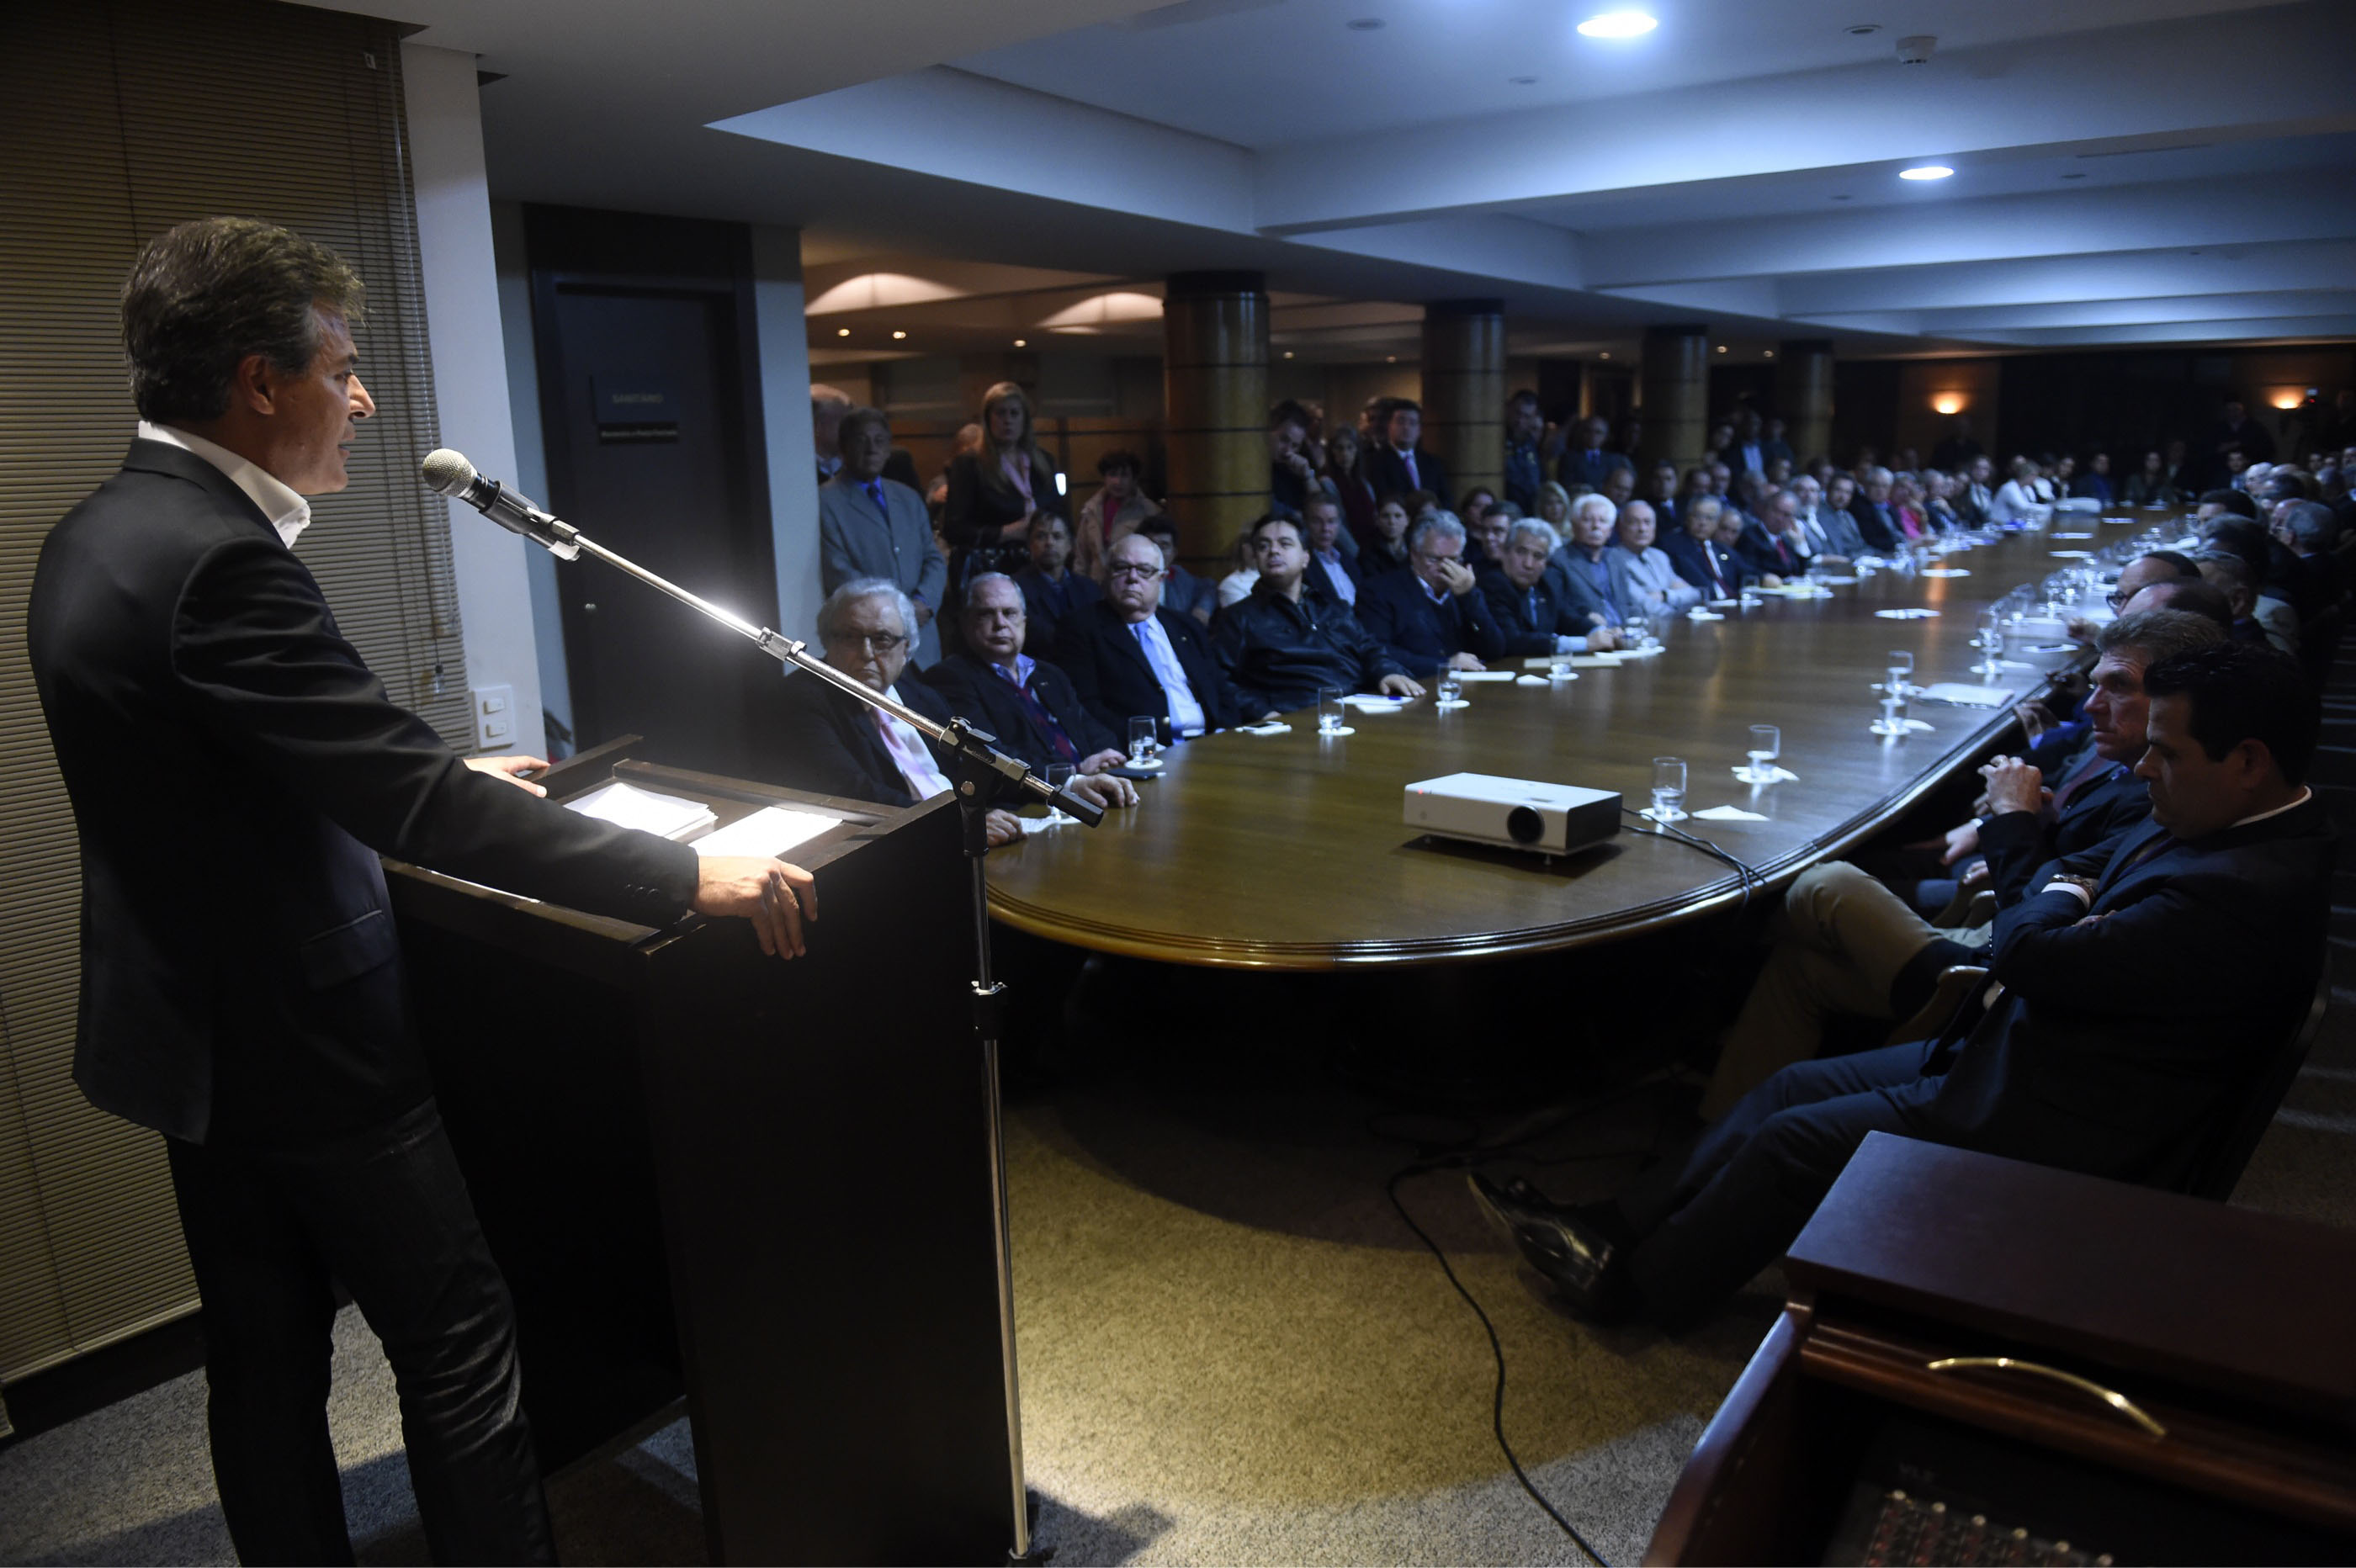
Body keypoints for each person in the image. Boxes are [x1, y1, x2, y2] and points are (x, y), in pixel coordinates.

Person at [27, 217, 816, 1565]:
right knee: (458, 1338)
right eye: (341, 369)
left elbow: (237, 769)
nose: (364, 401)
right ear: (259, 382)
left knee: (262, 1354)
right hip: (306, 1043)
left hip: (190, 1035)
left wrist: (437, 769)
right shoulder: (219, 559)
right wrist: (686, 870)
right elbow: (414, 809)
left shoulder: (95, 533)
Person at [1477, 640, 2329, 1327]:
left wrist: (2048, 884)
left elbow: (2030, 952)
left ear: (2248, 761)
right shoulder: (2220, 821)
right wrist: (2066, 893)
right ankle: (1615, 1224)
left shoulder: (2241, 890)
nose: (2144, 770)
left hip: (2050, 1114)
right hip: (2022, 1047)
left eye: (2166, 753)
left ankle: (1636, 1292)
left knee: (1792, 1140)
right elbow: (2072, 879)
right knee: (1789, 1086)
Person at [1697, 610, 2220, 1117]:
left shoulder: (2161, 798)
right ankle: (1720, 1125)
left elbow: (2036, 925)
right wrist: (2031, 823)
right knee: (1799, 968)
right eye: (2096, 685)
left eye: (2118, 687)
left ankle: (1709, 962)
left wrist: (2014, 818)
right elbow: (2064, 875)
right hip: (1990, 925)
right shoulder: (2125, 769)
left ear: (2177, 699)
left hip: (1985, 969)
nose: (2091, 705)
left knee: (1822, 883)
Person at [767, 580, 1027, 845]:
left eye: (882, 639)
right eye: (850, 637)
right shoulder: (803, 698)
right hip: (899, 842)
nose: (866, 653)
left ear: (906, 649)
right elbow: (852, 790)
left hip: (977, 832)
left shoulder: (921, 697)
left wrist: (1036, 789)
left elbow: (975, 760)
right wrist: (961, 822)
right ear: (828, 641)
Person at [926, 575, 1138, 787]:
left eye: (1010, 613)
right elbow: (988, 754)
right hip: (1031, 799)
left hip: (1089, 786)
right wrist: (1073, 773)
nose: (1000, 623)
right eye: (986, 614)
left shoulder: (1048, 673)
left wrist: (1107, 755)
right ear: (965, 623)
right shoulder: (951, 678)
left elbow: (1089, 727)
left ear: (1024, 622)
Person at [1210, 514, 1422, 713]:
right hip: (1294, 716)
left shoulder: (1334, 608)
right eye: (1263, 546)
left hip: (1357, 707)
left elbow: (1369, 649)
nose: (1273, 551)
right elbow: (1218, 679)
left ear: (1305, 558)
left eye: (1285, 544)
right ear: (1256, 558)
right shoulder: (1239, 618)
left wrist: (1387, 671)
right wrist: (1261, 712)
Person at [1063, 532, 1260, 745]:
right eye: (1121, 567)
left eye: (1144, 570)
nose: (1132, 577)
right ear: (1107, 573)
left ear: (1161, 579)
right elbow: (1087, 708)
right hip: (1143, 750)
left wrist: (1224, 736)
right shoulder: (1082, 628)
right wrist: (1140, 744)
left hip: (1211, 742)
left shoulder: (1186, 626)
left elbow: (1221, 691)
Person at [819, 405, 947, 668]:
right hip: (872, 640)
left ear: (889, 448)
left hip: (923, 638)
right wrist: (898, 613)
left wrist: (923, 602)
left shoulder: (908, 497)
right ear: (843, 447)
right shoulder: (824, 500)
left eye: (879, 441)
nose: (871, 449)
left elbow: (933, 558)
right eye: (861, 440)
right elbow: (838, 570)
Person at [942, 380, 1064, 592]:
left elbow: (1061, 513)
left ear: (1025, 419)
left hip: (1040, 568)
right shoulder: (969, 465)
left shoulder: (1044, 462)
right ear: (988, 419)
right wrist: (1006, 532)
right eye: (1000, 413)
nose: (1008, 420)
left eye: (1014, 413)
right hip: (992, 572)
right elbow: (954, 529)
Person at [1356, 514, 1508, 675]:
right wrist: (1445, 665)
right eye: (1434, 559)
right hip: (1413, 684)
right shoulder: (1379, 591)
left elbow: (1495, 650)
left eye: (1453, 559)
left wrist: (1468, 596)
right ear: (1414, 554)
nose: (1444, 567)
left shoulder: (1464, 589)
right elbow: (1378, 652)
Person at [1481, 518, 1621, 655]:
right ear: (1505, 552)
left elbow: (1570, 620)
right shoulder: (1493, 584)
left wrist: (1603, 633)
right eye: (1521, 552)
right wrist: (1585, 643)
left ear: (1546, 564)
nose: (1528, 564)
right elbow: (1512, 640)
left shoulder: (1546, 586)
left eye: (1538, 556)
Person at [1010, 511, 1101, 667]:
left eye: (1057, 536)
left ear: (1071, 545)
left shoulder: (1089, 588)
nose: (1049, 543)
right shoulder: (1015, 588)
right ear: (1030, 544)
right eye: (1041, 536)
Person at [1551, 493, 1639, 633]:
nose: (1596, 526)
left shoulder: (1616, 558)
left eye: (1603, 521)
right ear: (1573, 525)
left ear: (1610, 531)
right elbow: (1558, 606)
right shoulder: (1559, 560)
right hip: (1589, 636)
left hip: (1625, 633)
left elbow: (1629, 602)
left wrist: (1638, 624)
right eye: (1587, 520)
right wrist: (1586, 616)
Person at [1072, 448, 1161, 580]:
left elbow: (1157, 559)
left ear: (1134, 479)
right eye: (1112, 474)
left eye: (1124, 475)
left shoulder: (1149, 512)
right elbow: (1081, 558)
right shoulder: (1091, 510)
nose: (1118, 481)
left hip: (1131, 583)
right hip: (1095, 586)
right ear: (1105, 478)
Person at [1613, 500, 1701, 613]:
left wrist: (1665, 595)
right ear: (1620, 526)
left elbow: (1694, 595)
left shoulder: (1659, 556)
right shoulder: (1613, 560)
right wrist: (1677, 601)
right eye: (1634, 522)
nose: (1642, 529)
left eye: (1647, 522)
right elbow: (1644, 606)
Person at [1364, 398, 1450, 508]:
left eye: (1412, 423)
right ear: (1389, 426)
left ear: (1419, 430)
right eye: (1400, 422)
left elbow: (1445, 499)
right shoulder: (1374, 462)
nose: (1406, 427)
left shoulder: (1433, 463)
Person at [1662, 496, 1747, 601]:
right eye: (1697, 516)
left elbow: (1747, 571)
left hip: (1731, 602)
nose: (1703, 523)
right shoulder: (1672, 545)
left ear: (1717, 523)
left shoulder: (1721, 549)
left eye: (1709, 518)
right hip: (1701, 604)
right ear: (1687, 518)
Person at [1138, 515, 1217, 625]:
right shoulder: (1129, 577)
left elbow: (1209, 587)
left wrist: (1203, 608)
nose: (1157, 552)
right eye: (1151, 545)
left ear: (1174, 553)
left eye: (1164, 546)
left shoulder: (1179, 576)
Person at [1735, 488, 1809, 584]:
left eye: (1786, 515)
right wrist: (1764, 577)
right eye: (1776, 511)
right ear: (1766, 509)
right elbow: (1746, 569)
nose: (1779, 518)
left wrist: (1800, 544)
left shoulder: (1787, 539)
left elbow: (1802, 572)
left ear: (1793, 519)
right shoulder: (1750, 536)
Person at [1300, 493, 1362, 606]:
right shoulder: (1302, 566)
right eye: (1317, 521)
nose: (1325, 528)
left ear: (1339, 524)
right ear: (1306, 523)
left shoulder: (1348, 558)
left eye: (1331, 521)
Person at [1267, 400, 1320, 517]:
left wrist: (1307, 477)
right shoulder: (1255, 468)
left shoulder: (1296, 469)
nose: (1288, 450)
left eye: (1295, 446)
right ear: (1269, 431)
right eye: (1284, 439)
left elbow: (1321, 508)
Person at [1557, 415, 1631, 494]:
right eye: (1588, 431)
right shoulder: (1569, 458)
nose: (1593, 436)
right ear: (1581, 433)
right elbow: (1566, 485)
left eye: (1598, 432)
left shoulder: (1613, 460)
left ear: (1606, 436)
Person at [1503, 389, 1551, 511]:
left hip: (1531, 508)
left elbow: (1541, 479)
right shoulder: (1496, 438)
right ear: (1508, 409)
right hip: (1506, 507)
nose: (1520, 420)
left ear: (1533, 418)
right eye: (1517, 413)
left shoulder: (1532, 443)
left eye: (1526, 416)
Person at [1361, 493, 1414, 576]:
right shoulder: (1367, 552)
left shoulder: (1418, 546)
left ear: (1407, 520)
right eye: (1385, 516)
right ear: (1377, 520)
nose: (1392, 522)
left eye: (1398, 516)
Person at [810, 384, 852, 485]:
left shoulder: (858, 468)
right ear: (817, 425)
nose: (851, 427)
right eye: (843, 420)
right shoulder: (796, 471)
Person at [1990, 456, 2047, 526]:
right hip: (1999, 526)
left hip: (2011, 525)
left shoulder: (2025, 489)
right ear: (2028, 475)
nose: (2035, 479)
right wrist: (2048, 508)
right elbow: (2024, 507)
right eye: (2035, 476)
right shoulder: (2010, 488)